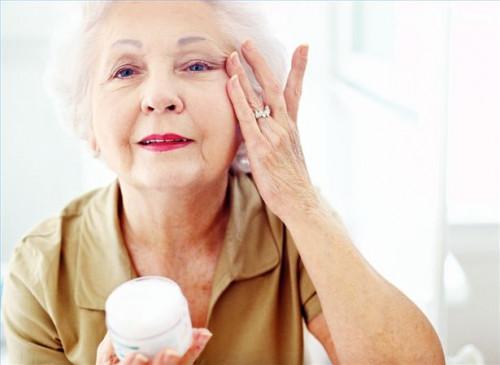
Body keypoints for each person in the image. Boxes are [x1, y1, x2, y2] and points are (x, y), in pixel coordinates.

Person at [2, 1, 446, 365]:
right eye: (124, 71)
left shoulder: (290, 224)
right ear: (87, 118)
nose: (159, 96)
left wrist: (299, 198)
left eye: (196, 65)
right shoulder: (41, 269)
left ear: (248, 101)